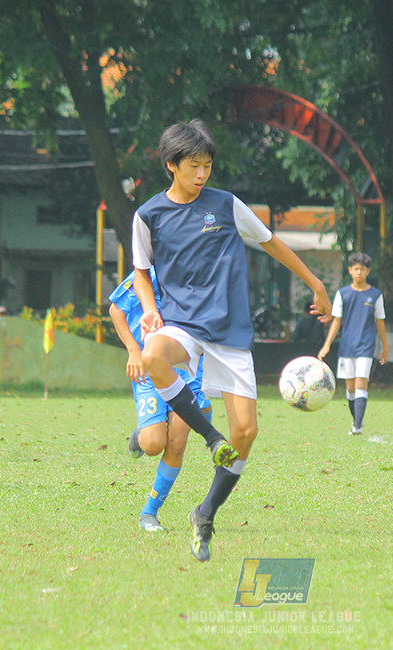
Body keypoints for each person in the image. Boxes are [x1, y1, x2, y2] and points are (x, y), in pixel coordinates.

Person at [132, 119, 331, 562]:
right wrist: (149, 307)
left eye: (207, 166)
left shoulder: (226, 205)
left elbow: (272, 244)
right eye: (193, 166)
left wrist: (316, 284)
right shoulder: (147, 215)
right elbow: (141, 272)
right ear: (171, 166)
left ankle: (205, 513)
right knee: (153, 355)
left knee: (246, 433)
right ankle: (208, 435)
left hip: (230, 329)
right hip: (182, 322)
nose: (202, 174)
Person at [107, 267, 212, 533]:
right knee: (154, 444)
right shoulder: (150, 273)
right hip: (149, 367)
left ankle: (149, 512)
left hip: (187, 371)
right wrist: (133, 350)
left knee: (177, 443)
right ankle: (142, 434)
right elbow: (116, 311)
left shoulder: (201, 276)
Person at [317, 252, 388, 435]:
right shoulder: (343, 294)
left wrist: (385, 347)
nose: (359, 273)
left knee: (361, 384)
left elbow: (380, 321)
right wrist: (327, 345)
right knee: (349, 387)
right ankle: (356, 421)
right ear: (350, 270)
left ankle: (357, 425)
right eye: (356, 269)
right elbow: (337, 321)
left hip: (366, 346)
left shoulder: (375, 295)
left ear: (368, 272)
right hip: (347, 346)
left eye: (362, 269)